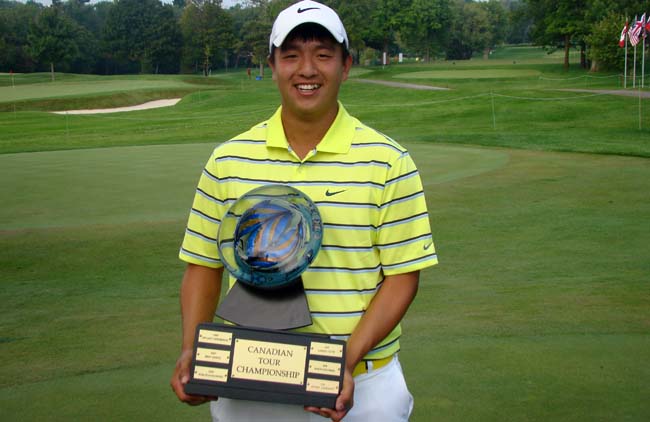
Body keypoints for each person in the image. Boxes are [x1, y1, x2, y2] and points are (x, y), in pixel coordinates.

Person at [170, 1, 438, 421]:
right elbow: (204, 265)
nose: (307, 69)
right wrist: (192, 348)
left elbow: (402, 277)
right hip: (249, 375)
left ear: (346, 66)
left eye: (323, 54)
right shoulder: (227, 160)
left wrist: (343, 363)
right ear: (272, 65)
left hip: (362, 385)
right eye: (291, 55)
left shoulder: (389, 161)